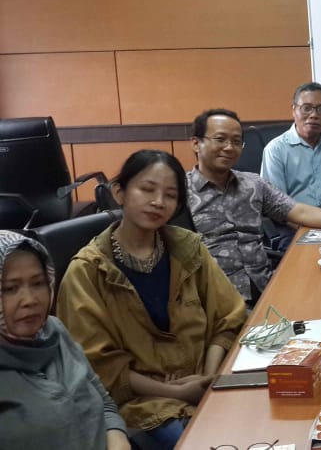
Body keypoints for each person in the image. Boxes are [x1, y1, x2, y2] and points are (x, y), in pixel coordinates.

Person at [57, 150, 246, 450]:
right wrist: (179, 393)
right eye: (147, 189)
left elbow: (227, 318)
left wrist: (208, 377)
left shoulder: (188, 248)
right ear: (119, 192)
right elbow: (99, 367)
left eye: (170, 195)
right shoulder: (88, 272)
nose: (159, 201)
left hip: (207, 381)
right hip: (144, 403)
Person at [188, 109, 321, 303]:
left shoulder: (253, 184)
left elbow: (297, 210)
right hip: (215, 299)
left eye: (236, 141)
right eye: (220, 139)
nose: (229, 147)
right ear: (196, 143)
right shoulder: (181, 193)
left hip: (265, 287)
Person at [0, 231, 130, 450]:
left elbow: (104, 403)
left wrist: (118, 439)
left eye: (38, 283)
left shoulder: (54, 330)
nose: (30, 300)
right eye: (10, 289)